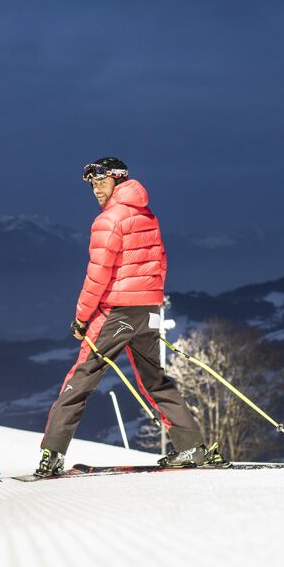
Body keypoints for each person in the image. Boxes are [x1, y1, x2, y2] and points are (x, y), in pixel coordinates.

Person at [34, 157, 221, 477]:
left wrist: (81, 318)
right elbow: (160, 262)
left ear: (118, 180)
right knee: (154, 380)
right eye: (92, 184)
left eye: (100, 182)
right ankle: (191, 446)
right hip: (148, 310)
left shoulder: (109, 220)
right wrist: (151, 303)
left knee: (81, 379)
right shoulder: (148, 215)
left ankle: (52, 454)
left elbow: (98, 275)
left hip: (115, 312)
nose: (95, 189)